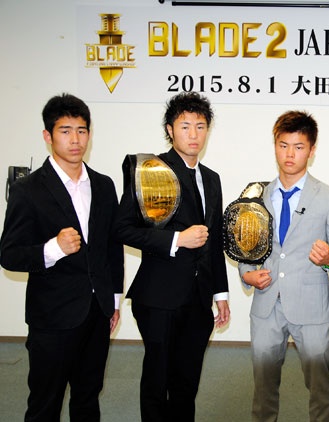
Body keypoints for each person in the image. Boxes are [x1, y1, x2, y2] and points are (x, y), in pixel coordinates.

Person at [0, 93, 124, 421]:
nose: (75, 139)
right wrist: (53, 248)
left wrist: (113, 299)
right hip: (52, 317)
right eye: (65, 131)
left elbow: (112, 247)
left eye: (81, 130)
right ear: (48, 136)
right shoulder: (28, 189)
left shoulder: (103, 185)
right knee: (45, 404)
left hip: (97, 313)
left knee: (88, 399)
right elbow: (9, 255)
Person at [114, 91, 230, 421]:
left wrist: (220, 294)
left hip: (199, 299)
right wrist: (177, 239)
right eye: (185, 126)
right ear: (170, 130)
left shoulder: (212, 179)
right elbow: (122, 229)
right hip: (159, 296)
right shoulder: (151, 171)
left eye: (200, 126)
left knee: (187, 382)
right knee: (157, 380)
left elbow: (214, 240)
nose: (193, 134)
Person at [238, 111, 329, 422]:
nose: (290, 154)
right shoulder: (256, 195)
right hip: (266, 304)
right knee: (263, 389)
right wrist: (247, 274)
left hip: (312, 307)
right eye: (283, 145)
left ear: (311, 150)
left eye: (299, 147)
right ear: (275, 146)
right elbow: (246, 247)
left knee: (320, 389)